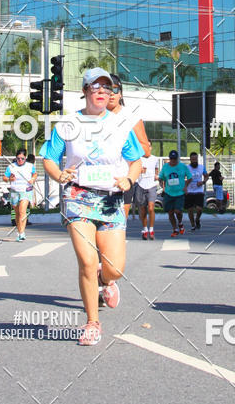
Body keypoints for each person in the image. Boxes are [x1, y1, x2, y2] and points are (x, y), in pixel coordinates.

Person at [41, 68, 143, 346]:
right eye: (95, 87)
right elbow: (49, 158)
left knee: (115, 269)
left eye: (106, 88)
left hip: (110, 200)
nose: (101, 92)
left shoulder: (121, 125)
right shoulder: (68, 124)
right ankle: (92, 323)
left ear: (111, 94)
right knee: (86, 260)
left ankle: (106, 279)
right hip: (77, 198)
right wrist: (58, 175)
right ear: (85, 91)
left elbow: (136, 160)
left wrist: (129, 179)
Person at [107, 73, 151, 222]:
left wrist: (124, 140)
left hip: (122, 179)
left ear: (121, 93)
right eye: (107, 90)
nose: (111, 94)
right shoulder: (94, 116)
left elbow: (146, 150)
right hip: (96, 179)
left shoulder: (131, 117)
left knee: (117, 227)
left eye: (115, 90)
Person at [4, 148, 36, 240]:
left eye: (22, 158)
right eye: (18, 158)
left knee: (22, 212)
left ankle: (22, 233)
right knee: (17, 213)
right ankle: (19, 231)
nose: (20, 160)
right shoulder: (11, 167)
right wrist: (10, 179)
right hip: (14, 191)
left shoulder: (30, 166)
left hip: (26, 191)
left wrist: (32, 179)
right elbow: (5, 177)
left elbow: (35, 174)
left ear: (25, 158)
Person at [158, 150, 192, 236]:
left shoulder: (182, 166)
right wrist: (162, 186)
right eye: (171, 159)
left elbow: (190, 177)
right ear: (169, 159)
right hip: (169, 193)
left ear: (177, 159)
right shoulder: (165, 167)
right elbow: (161, 178)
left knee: (177, 211)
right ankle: (175, 229)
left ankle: (180, 223)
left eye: (174, 159)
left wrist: (185, 186)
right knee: (170, 212)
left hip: (179, 193)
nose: (173, 161)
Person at [135, 152, 159, 239]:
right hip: (141, 185)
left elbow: (157, 170)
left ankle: (151, 229)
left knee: (151, 207)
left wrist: (156, 175)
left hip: (151, 185)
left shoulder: (154, 158)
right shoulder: (138, 159)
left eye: (149, 146)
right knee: (143, 209)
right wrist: (139, 171)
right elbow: (133, 170)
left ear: (151, 148)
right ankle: (145, 229)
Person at [185, 152, 208, 231]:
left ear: (197, 159)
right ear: (190, 159)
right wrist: (185, 186)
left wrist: (203, 182)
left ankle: (197, 219)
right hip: (189, 191)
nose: (194, 161)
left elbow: (206, 176)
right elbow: (182, 177)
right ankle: (193, 225)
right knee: (190, 209)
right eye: (193, 159)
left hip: (199, 190)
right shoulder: (187, 168)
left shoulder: (201, 167)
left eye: (196, 159)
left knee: (199, 209)